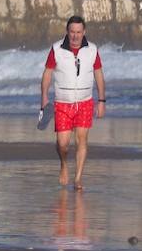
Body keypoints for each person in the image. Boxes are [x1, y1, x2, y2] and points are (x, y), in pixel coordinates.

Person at [40, 15, 105, 191]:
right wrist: (44, 96)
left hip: (85, 101)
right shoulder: (56, 49)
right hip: (62, 102)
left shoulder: (92, 50)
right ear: (67, 32)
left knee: (82, 139)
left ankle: (77, 179)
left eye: (78, 32)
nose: (75, 36)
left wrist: (101, 100)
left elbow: (98, 73)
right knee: (63, 143)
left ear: (84, 32)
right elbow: (47, 73)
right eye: (72, 32)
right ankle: (63, 164)